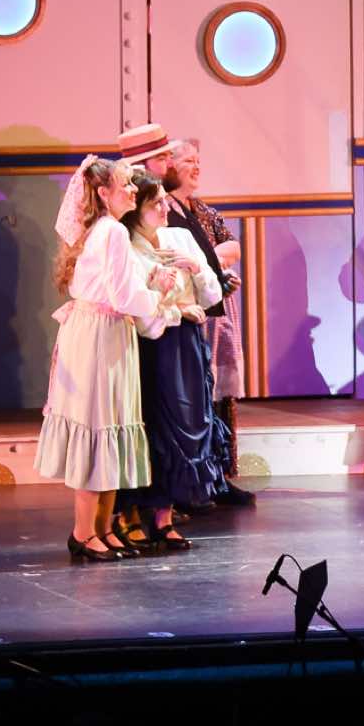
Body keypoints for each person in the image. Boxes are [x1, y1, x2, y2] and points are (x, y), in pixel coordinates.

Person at [35, 158, 177, 562]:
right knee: (100, 425)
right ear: (103, 192)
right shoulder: (112, 230)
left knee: (110, 424)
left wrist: (148, 285)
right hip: (100, 335)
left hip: (104, 331)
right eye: (125, 184)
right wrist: (157, 294)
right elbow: (124, 296)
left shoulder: (104, 229)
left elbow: (119, 287)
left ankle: (102, 527)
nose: (132, 190)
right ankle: (84, 531)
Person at [118, 169, 225, 548]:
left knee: (187, 424)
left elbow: (212, 297)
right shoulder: (127, 248)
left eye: (165, 200)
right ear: (137, 210)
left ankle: (165, 516)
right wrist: (179, 309)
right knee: (153, 428)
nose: (165, 209)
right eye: (155, 204)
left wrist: (195, 267)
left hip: (186, 345)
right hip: (151, 347)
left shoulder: (180, 237)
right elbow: (137, 311)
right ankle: (131, 513)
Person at [167, 139, 244, 475]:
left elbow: (234, 247)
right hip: (190, 308)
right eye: (189, 161)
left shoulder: (201, 210)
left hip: (216, 308)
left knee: (221, 393)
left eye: (198, 160)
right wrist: (211, 260)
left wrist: (206, 260)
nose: (196, 167)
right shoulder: (166, 210)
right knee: (197, 389)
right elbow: (179, 257)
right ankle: (200, 472)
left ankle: (222, 469)